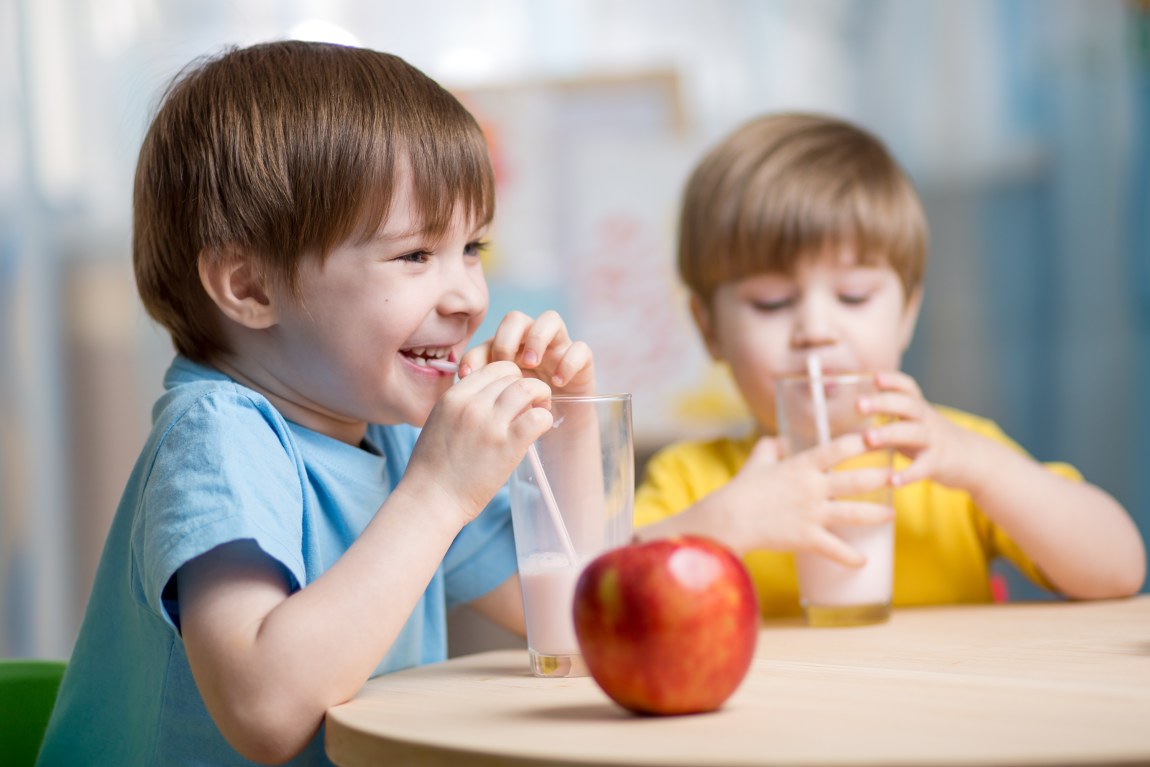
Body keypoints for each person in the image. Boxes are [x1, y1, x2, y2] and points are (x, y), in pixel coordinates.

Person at [37, 41, 594, 766]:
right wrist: (439, 491)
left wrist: (567, 428)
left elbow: (568, 619)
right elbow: (265, 711)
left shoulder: (392, 435)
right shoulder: (218, 437)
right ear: (251, 288)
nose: (468, 297)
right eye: (415, 255)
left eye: (472, 248)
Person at [633, 112, 1145, 618]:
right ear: (709, 329)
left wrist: (983, 469)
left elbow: (1121, 569)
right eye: (770, 301)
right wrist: (720, 526)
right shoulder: (694, 481)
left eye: (853, 296)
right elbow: (590, 603)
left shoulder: (947, 457)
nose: (816, 329)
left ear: (906, 314)